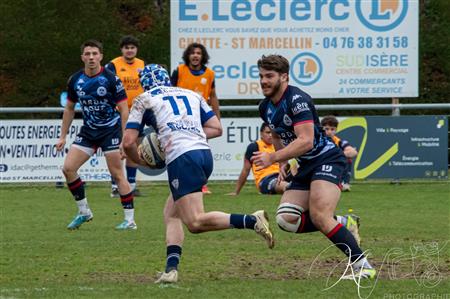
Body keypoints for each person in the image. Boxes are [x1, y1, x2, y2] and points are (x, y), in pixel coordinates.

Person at [122, 64, 274, 284]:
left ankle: (251, 220)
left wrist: (140, 161)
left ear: (143, 83)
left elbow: (128, 142)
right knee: (172, 214)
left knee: (194, 223)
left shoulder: (144, 99)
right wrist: (185, 132)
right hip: (203, 155)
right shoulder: (191, 94)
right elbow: (216, 128)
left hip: (183, 159)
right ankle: (170, 270)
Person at [251, 55, 375, 279]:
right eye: (261, 76)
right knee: (286, 220)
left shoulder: (297, 99)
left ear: (284, 77)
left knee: (319, 216)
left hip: (326, 159)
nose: (264, 81)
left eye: (269, 76)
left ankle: (362, 265)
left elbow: (306, 140)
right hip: (305, 165)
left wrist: (272, 157)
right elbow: (278, 133)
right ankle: (343, 223)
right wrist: (282, 162)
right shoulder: (265, 106)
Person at [56, 39, 136, 231]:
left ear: (101, 56)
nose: (91, 57)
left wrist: (124, 139)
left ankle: (130, 220)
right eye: (87, 54)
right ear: (82, 57)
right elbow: (69, 108)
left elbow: (124, 110)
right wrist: (62, 136)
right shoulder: (75, 80)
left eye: (94, 54)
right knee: (68, 168)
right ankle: (84, 212)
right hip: (89, 131)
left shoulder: (110, 79)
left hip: (111, 131)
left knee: (117, 174)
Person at [170, 42, 220, 194]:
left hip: (201, 117)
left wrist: (217, 117)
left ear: (202, 56)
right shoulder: (179, 71)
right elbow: (169, 92)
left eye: (198, 53)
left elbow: (213, 96)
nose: (195, 56)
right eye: (192, 53)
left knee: (201, 151)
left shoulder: (209, 73)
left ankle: (202, 184)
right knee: (180, 151)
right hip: (181, 117)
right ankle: (178, 181)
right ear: (188, 56)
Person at [105, 35, 146, 198]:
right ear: (121, 49)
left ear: (136, 50)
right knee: (116, 149)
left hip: (137, 112)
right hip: (118, 113)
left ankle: (132, 185)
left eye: (132, 47)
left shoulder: (142, 65)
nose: (129, 50)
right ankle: (115, 186)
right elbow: (105, 85)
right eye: (126, 47)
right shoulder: (113, 65)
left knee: (132, 148)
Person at [226, 122, 290, 196]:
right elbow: (245, 170)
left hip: (281, 175)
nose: (270, 135)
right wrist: (236, 192)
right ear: (261, 133)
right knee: (282, 184)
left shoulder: (279, 145)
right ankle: (289, 187)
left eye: (272, 133)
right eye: (268, 132)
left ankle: (295, 187)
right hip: (265, 179)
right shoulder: (254, 146)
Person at [320, 115, 358, 191]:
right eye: (326, 129)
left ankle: (343, 183)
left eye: (332, 129)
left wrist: (334, 155)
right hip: (319, 166)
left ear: (336, 130)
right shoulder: (317, 141)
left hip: (333, 167)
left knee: (348, 159)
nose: (329, 132)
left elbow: (353, 152)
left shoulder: (340, 142)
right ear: (321, 129)